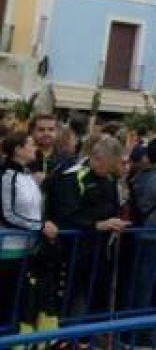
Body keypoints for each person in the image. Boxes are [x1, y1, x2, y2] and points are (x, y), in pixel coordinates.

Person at [44, 134, 128, 319]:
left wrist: (114, 222)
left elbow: (111, 206)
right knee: (67, 298)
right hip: (70, 250)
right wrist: (97, 225)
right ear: (97, 158)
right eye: (109, 165)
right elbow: (66, 213)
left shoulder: (109, 179)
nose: (111, 170)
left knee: (92, 297)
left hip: (99, 250)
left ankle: (83, 339)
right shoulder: (72, 176)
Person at [0, 132, 58, 332]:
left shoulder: (26, 174)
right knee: (6, 304)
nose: (35, 148)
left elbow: (32, 209)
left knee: (19, 304)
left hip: (27, 250)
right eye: (30, 144)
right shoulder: (7, 175)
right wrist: (40, 226)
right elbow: (8, 214)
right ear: (17, 150)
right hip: (7, 251)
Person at [127, 136, 156, 316]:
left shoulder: (143, 174)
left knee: (141, 282)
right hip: (155, 235)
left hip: (144, 232)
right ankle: (139, 327)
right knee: (146, 283)